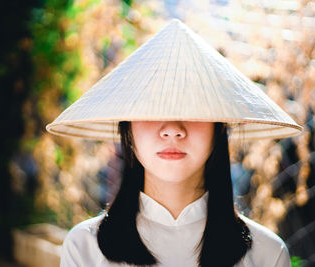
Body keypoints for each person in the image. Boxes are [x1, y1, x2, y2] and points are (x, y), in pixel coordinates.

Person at [46, 19, 302, 267]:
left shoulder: (267, 253)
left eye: (195, 110)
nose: (172, 129)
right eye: (152, 110)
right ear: (128, 129)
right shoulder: (85, 247)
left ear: (219, 126)